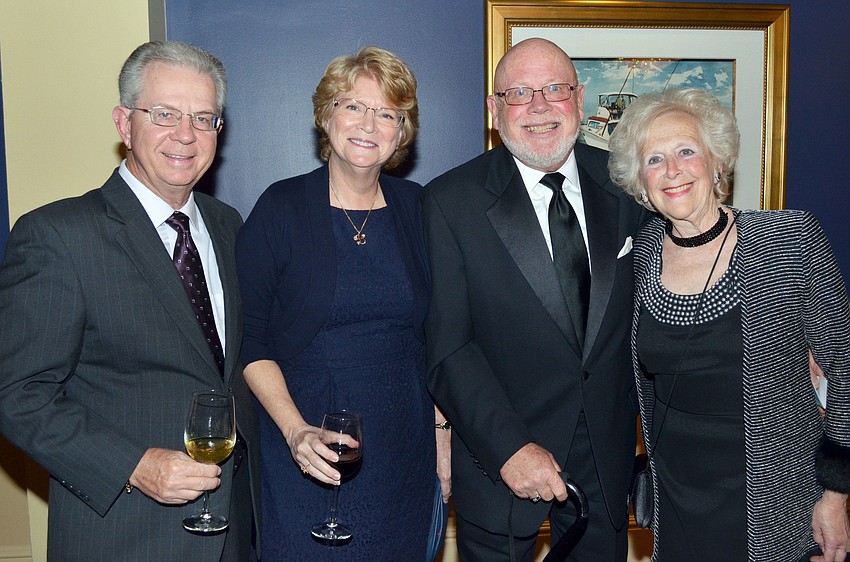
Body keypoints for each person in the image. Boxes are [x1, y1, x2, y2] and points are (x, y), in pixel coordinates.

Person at [0, 40, 260, 561]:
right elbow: (17, 393)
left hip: (235, 532)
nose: (185, 134)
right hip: (125, 533)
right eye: (164, 114)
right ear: (124, 123)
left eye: (203, 118)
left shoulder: (231, 227)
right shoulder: (57, 235)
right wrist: (135, 466)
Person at [422, 37, 650, 561]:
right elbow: (448, 351)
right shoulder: (450, 201)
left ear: (580, 97)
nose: (540, 106)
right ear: (493, 108)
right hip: (501, 463)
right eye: (520, 92)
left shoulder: (627, 184)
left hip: (606, 463)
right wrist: (509, 448)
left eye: (554, 88)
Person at [607, 87, 850, 562]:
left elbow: (845, 369)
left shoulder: (788, 240)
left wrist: (837, 494)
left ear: (717, 163)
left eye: (685, 151)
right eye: (654, 159)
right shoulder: (640, 255)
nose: (672, 170)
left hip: (774, 500)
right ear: (641, 181)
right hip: (676, 498)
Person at [236, 46, 449, 561]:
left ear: (401, 131)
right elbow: (252, 339)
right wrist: (294, 432)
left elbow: (444, 331)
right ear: (326, 114)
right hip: (307, 447)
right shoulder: (280, 207)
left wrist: (442, 435)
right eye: (353, 105)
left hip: (405, 447)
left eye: (387, 113)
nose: (368, 124)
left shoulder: (420, 208)